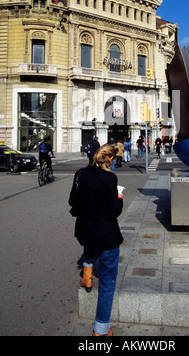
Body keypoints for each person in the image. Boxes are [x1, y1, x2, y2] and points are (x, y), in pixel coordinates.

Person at [68, 144, 124, 336]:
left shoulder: (81, 174)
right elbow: (114, 211)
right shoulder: (110, 178)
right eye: (113, 159)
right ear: (109, 159)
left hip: (86, 230)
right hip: (106, 235)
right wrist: (120, 196)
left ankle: (87, 277)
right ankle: (100, 330)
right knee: (108, 284)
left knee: (90, 249)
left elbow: (71, 201)